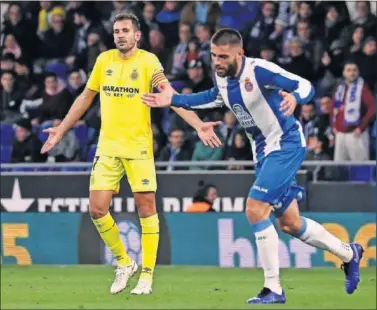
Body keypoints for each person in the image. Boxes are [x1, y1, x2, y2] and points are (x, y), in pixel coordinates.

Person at [142, 28, 364, 304]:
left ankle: (273, 288)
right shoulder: (222, 77)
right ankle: (348, 253)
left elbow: (305, 85)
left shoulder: (260, 71)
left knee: (255, 208)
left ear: (240, 54)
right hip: (263, 153)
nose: (217, 62)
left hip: (285, 145)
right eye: (213, 56)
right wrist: (174, 99)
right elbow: (212, 97)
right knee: (290, 223)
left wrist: (296, 98)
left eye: (223, 56)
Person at [40, 13, 222, 296]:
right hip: (109, 146)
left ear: (137, 35)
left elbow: (169, 94)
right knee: (97, 209)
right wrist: (62, 129)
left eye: (125, 30)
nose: (120, 35)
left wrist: (198, 124)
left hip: (138, 147)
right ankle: (125, 263)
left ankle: (147, 276)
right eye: (116, 31)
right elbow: (86, 97)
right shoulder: (104, 61)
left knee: (146, 209)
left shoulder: (148, 62)